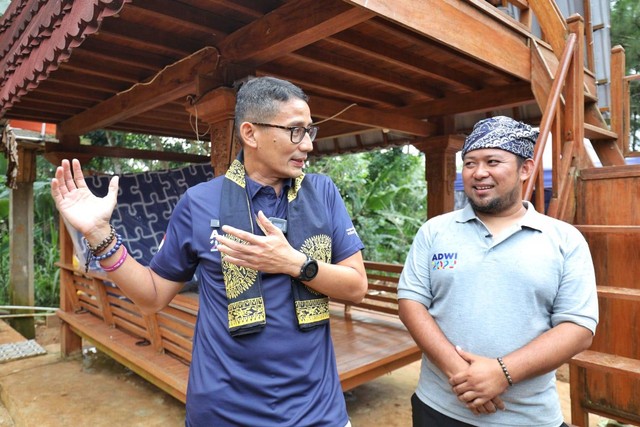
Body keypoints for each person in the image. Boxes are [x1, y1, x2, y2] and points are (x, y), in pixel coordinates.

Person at [50, 76, 368, 426]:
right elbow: (152, 297)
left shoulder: (322, 193)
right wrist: (100, 235)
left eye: (310, 131)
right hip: (223, 412)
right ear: (250, 134)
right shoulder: (200, 202)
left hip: (318, 412)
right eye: (295, 131)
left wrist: (296, 264)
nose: (307, 144)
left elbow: (356, 287)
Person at [397, 116, 598, 427]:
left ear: (525, 169)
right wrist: (461, 375)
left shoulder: (564, 240)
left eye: (493, 161)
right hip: (438, 408)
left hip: (527, 417)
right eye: (470, 163)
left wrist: (503, 372)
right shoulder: (434, 231)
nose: (479, 173)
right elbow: (412, 303)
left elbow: (578, 326)